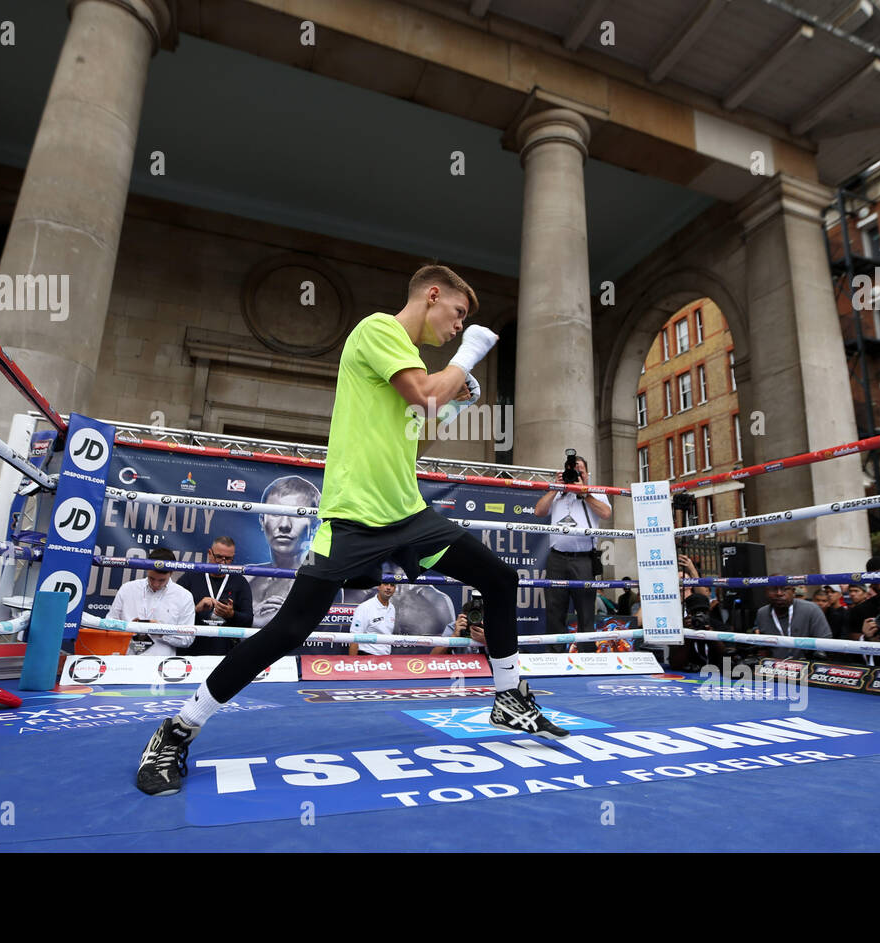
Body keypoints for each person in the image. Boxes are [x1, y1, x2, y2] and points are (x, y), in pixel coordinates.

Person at [136, 264, 567, 796]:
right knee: (287, 633)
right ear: (432, 295)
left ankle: (510, 699)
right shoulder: (378, 330)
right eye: (458, 313)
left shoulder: (405, 364)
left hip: (408, 516)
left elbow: (417, 438)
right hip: (355, 519)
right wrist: (467, 357)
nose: (459, 325)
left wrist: (452, 407)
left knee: (500, 579)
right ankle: (176, 730)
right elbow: (426, 396)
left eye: (465, 324)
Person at [533, 453, 612, 653]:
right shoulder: (558, 492)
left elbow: (605, 513)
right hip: (557, 559)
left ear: (587, 474)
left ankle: (586, 654)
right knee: (554, 609)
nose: (576, 474)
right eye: (573, 470)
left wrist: (584, 493)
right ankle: (555, 654)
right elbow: (539, 511)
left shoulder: (595, 492)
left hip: (583, 560)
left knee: (586, 610)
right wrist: (555, 488)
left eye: (580, 471)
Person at [245, 475, 323, 629]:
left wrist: (253, 621)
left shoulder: (320, 579)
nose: (284, 525)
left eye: (297, 514)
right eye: (275, 513)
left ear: (315, 525)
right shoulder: (247, 576)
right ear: (262, 520)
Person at [108, 547, 196, 656]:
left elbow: (187, 639)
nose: (155, 584)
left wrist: (161, 631)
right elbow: (109, 625)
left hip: (161, 666)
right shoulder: (127, 589)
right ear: (146, 569)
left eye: (161, 580)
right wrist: (128, 627)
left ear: (171, 572)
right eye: (152, 578)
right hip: (126, 662)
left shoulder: (184, 596)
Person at [177, 536, 253, 657]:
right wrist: (195, 610)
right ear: (209, 553)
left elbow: (249, 620)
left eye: (228, 559)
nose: (223, 562)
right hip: (191, 653)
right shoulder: (190, 578)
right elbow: (174, 616)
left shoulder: (240, 582)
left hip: (225, 653)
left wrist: (232, 615)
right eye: (219, 557)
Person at [753, 580, 831, 660]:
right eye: (774, 589)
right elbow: (763, 646)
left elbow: (825, 640)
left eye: (785, 589)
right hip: (774, 667)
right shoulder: (762, 613)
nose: (779, 593)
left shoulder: (811, 609)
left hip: (806, 666)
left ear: (793, 592)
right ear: (766, 592)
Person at [348, 581, 396, 656]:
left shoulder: (392, 608)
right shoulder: (364, 607)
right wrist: (352, 663)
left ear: (395, 589)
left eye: (392, 585)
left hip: (385, 659)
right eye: (385, 584)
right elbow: (355, 637)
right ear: (379, 586)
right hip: (366, 657)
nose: (389, 588)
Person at [431, 590, 486, 655]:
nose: (474, 621)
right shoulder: (455, 626)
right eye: (471, 617)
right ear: (464, 616)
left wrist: (486, 641)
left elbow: (500, 658)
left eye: (477, 617)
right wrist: (454, 636)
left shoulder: (493, 628)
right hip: (461, 663)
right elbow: (434, 656)